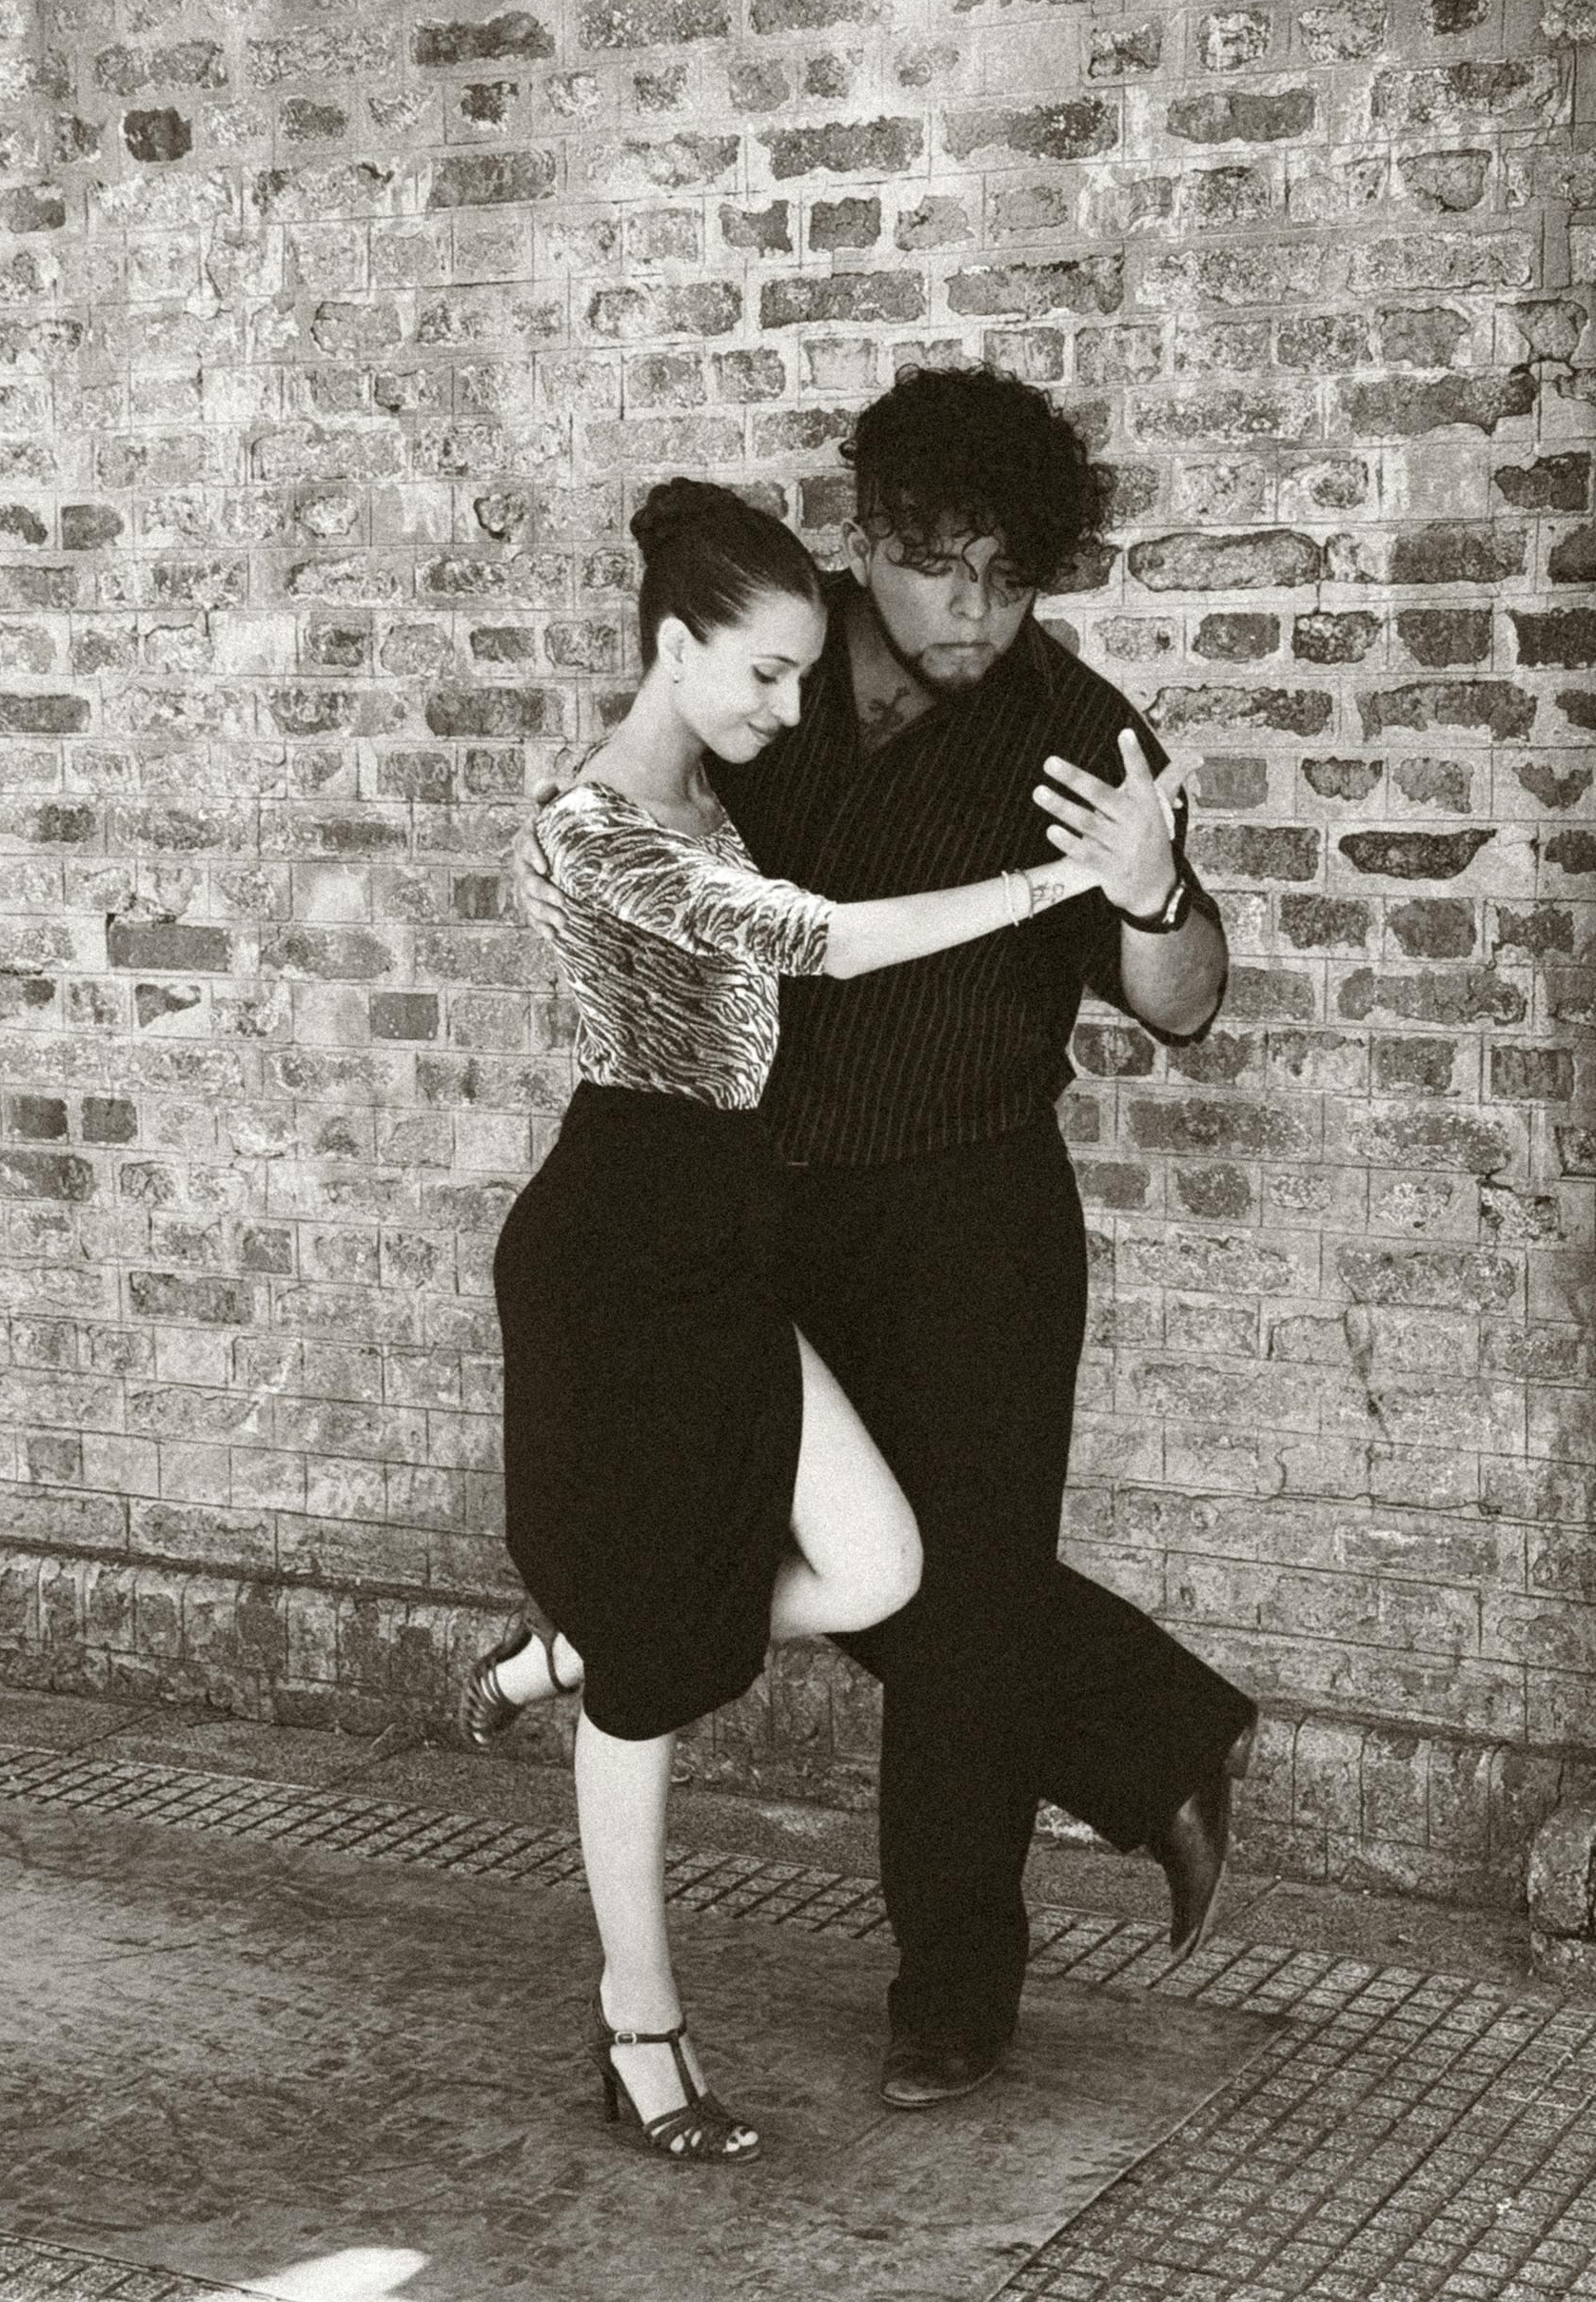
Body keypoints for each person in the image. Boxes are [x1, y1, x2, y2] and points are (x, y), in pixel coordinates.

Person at [510, 367, 1259, 2115]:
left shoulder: (1082, 726)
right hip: (748, 1209)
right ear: (868, 544)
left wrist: (1147, 894)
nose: (976, 613)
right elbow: (638, 841)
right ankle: (1152, 1739)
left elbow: (1190, 1003)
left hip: (971, 1213)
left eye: (1013, 577)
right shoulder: (755, 668)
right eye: (939, 568)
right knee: (887, 1572)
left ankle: (955, 1995)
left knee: (962, 1597)